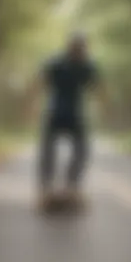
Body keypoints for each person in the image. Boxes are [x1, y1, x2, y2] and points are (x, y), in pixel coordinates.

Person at [24, 32, 108, 207]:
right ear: (69, 47)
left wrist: (104, 106)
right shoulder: (55, 63)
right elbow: (39, 82)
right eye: (76, 48)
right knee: (48, 151)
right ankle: (46, 188)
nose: (79, 52)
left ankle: (72, 187)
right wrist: (30, 106)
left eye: (82, 48)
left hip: (75, 114)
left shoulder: (87, 66)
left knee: (82, 150)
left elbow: (98, 87)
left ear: (85, 49)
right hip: (55, 113)